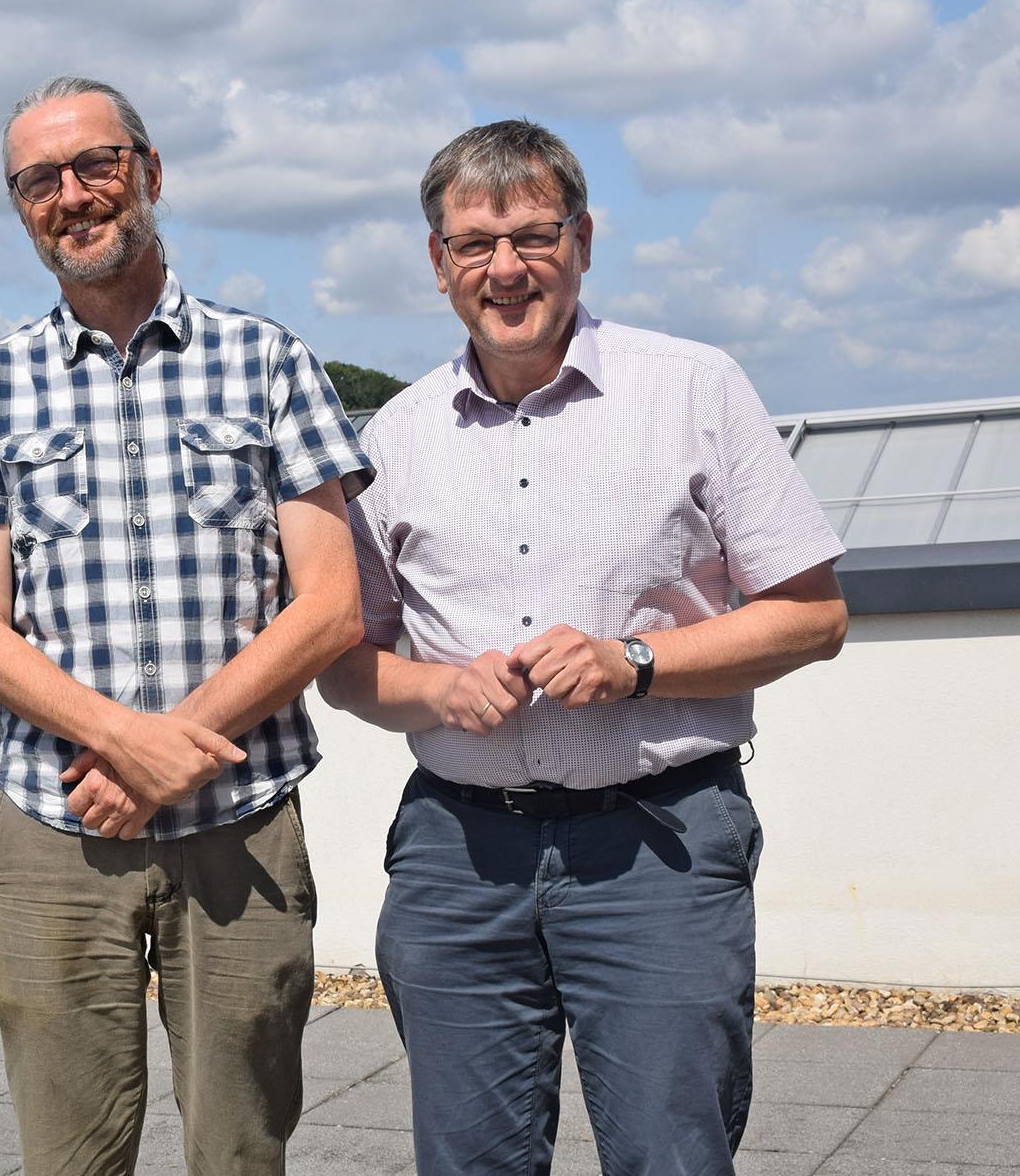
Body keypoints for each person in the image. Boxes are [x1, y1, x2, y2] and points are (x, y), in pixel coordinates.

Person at [318, 120, 849, 1176]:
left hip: (655, 843)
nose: (505, 267)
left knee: (670, 1155)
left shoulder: (693, 388)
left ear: (584, 239)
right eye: (474, 243)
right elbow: (347, 662)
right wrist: (437, 686)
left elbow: (812, 612)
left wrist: (635, 663)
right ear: (438, 263)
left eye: (533, 234)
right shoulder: (395, 438)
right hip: (457, 858)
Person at [0, 76, 372, 1175]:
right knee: (70, 1154)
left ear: (150, 173)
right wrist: (124, 742)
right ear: (21, 207)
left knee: (242, 1147)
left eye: (97, 165)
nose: (72, 195)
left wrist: (166, 752)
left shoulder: (268, 360)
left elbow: (331, 603)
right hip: (52, 829)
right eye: (39, 180)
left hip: (239, 820)